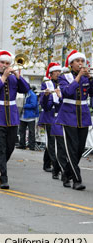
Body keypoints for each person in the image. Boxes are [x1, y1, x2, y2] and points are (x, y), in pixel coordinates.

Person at [0, 50, 30, 189]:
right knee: (0, 150)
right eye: (2, 62)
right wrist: (3, 77)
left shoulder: (13, 77)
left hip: (11, 117)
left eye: (7, 63)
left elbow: (26, 89)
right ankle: (3, 178)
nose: (5, 65)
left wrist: (18, 76)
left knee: (9, 148)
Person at [56, 50, 93, 190]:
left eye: (82, 61)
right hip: (68, 116)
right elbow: (67, 92)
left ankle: (66, 173)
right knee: (71, 149)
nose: (80, 63)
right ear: (71, 63)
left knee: (79, 149)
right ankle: (77, 180)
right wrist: (78, 77)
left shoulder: (85, 77)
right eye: (77, 61)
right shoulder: (63, 77)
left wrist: (90, 79)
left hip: (83, 115)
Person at [38, 62, 62, 177]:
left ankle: (46, 163)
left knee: (54, 142)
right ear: (51, 74)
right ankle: (55, 166)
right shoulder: (46, 83)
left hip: (60, 114)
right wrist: (47, 96)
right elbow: (44, 104)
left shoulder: (63, 83)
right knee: (52, 142)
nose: (58, 73)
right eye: (55, 72)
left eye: (59, 71)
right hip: (49, 115)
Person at [18, 85, 39, 150]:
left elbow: (33, 104)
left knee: (31, 132)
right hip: (23, 116)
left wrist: (23, 105)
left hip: (30, 117)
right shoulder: (24, 94)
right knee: (21, 131)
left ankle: (31, 146)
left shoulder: (32, 95)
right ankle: (22, 144)